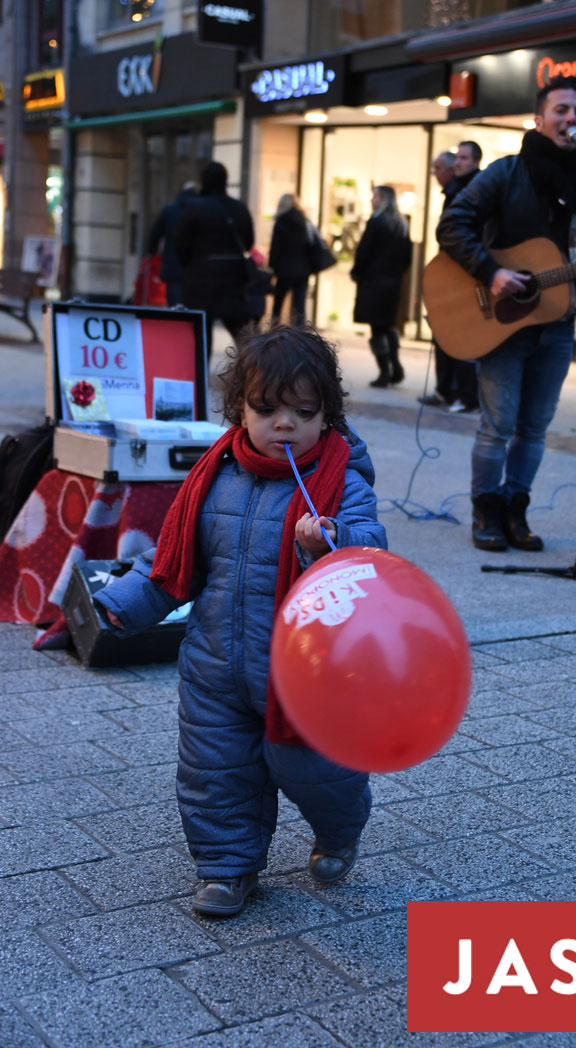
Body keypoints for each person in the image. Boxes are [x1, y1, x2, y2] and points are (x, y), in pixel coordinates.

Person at [93, 324, 386, 918]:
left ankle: (339, 828)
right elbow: (173, 558)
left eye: (304, 412)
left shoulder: (343, 483)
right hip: (216, 666)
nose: (285, 425)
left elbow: (370, 553)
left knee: (317, 772)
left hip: (305, 673)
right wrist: (124, 603)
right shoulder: (213, 477)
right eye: (266, 409)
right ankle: (227, 866)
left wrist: (327, 542)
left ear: (327, 414)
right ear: (239, 409)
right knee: (216, 769)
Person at [436, 76, 576, 553]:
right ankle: (485, 510)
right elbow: (452, 224)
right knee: (497, 425)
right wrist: (491, 272)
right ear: (539, 119)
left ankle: (515, 509)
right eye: (561, 110)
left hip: (557, 325)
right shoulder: (505, 173)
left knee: (534, 428)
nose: (571, 119)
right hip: (503, 323)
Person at [420, 144, 481, 414]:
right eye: (456, 158)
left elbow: (463, 237)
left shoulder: (474, 191)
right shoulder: (456, 190)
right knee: (444, 333)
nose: (458, 163)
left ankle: (466, 395)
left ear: (476, 161)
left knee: (461, 336)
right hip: (451, 272)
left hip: (464, 274)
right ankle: (446, 390)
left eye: (463, 158)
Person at [174, 161, 255, 364]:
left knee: (201, 333)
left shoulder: (195, 208)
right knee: (241, 333)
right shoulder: (239, 208)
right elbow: (249, 241)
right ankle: (254, 371)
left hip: (200, 280)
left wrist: (192, 264)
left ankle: (201, 374)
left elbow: (181, 244)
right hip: (233, 280)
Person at [352, 185, 413, 388]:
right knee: (388, 326)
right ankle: (395, 366)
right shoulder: (401, 225)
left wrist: (357, 272)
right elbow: (408, 258)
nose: (372, 200)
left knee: (377, 329)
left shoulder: (376, 222)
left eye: (375, 197)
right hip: (393, 283)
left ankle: (384, 371)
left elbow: (363, 252)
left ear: (384, 200)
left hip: (374, 282)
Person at [148, 182, 197, 307]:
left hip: (173, 263)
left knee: (174, 303)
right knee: (193, 303)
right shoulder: (200, 210)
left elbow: (156, 233)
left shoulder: (170, 210)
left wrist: (152, 251)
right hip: (194, 266)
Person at [268, 194, 313, 326]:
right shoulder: (305, 221)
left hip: (284, 268)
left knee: (278, 303)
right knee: (300, 305)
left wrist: (272, 267)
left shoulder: (281, 222)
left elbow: (275, 248)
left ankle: (274, 329)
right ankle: (301, 332)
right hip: (303, 268)